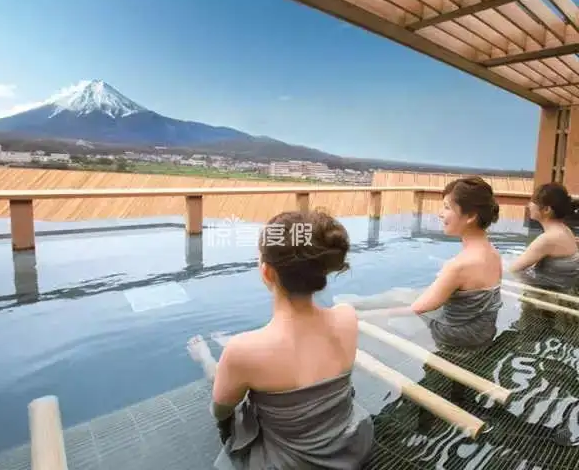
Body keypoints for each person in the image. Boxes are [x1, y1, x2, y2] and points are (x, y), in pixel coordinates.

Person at [187, 210, 374, 469]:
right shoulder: (347, 317)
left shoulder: (243, 351)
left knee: (230, 386)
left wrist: (215, 361)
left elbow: (220, 411)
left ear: (267, 272)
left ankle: (205, 357)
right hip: (352, 446)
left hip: (289, 464)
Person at [357, 176, 502, 348]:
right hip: (482, 333)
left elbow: (417, 309)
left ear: (470, 216)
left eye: (447, 208)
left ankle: (355, 309)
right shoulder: (494, 254)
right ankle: (359, 305)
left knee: (400, 306)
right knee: (405, 295)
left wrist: (366, 317)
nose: (440, 214)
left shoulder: (459, 266)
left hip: (455, 338)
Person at [509, 182, 579, 292]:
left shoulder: (547, 240)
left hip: (546, 298)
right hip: (563, 290)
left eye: (533, 201)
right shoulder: (566, 230)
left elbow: (513, 271)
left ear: (546, 210)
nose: (529, 205)